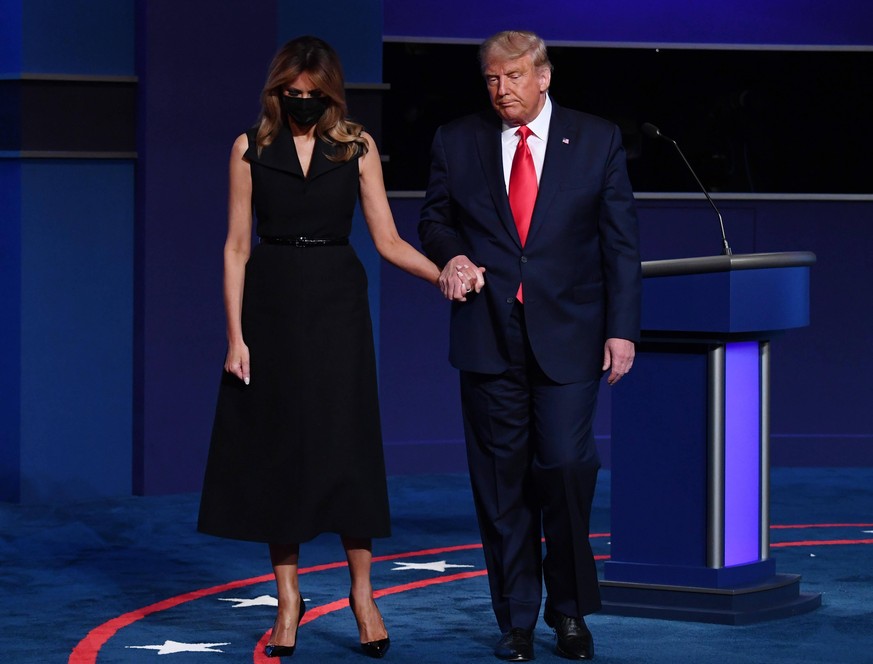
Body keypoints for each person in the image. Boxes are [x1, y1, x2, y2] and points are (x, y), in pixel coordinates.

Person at [197, 36, 442, 659]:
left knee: (345, 447)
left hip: (338, 305)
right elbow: (234, 247)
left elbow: (387, 239)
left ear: (331, 93)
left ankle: (363, 593)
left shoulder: (357, 148)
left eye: (312, 94)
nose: (301, 103)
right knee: (280, 452)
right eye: (292, 94)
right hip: (272, 306)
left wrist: (443, 275)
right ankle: (288, 600)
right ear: (278, 92)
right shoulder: (250, 148)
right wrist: (235, 337)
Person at [418, 30, 641, 661]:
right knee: (501, 484)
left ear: (544, 77)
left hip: (571, 334)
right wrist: (452, 254)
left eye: (513, 76)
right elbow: (433, 219)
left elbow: (620, 242)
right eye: (491, 78)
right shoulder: (456, 139)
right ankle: (516, 619)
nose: (501, 89)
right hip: (489, 333)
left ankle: (568, 609)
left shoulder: (596, 139)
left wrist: (622, 329)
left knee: (567, 469)